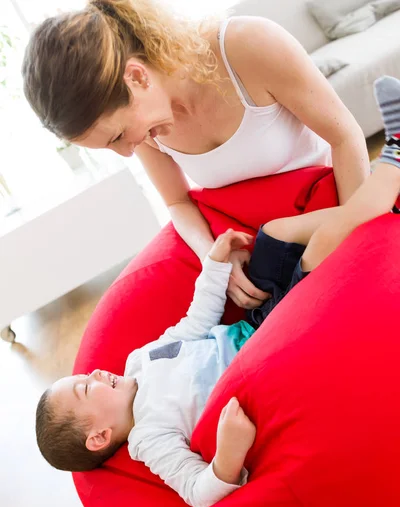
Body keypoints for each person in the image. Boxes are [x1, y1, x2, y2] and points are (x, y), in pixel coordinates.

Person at [35, 75, 400, 507]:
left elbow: (197, 321)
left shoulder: (139, 362)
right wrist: (227, 455)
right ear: (99, 436)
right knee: (321, 248)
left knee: (277, 233)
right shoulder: (151, 439)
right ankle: (393, 160)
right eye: (84, 390)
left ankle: (378, 211)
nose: (94, 374)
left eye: (83, 377)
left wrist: (214, 264)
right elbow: (198, 494)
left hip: (256, 320)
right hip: (274, 353)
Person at [22, 0, 370, 311]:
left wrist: (347, 239)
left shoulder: (248, 45)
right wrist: (214, 263)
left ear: (137, 77)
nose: (127, 152)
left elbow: (346, 137)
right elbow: (177, 203)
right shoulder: (145, 126)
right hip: (249, 240)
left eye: (117, 137)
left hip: (320, 211)